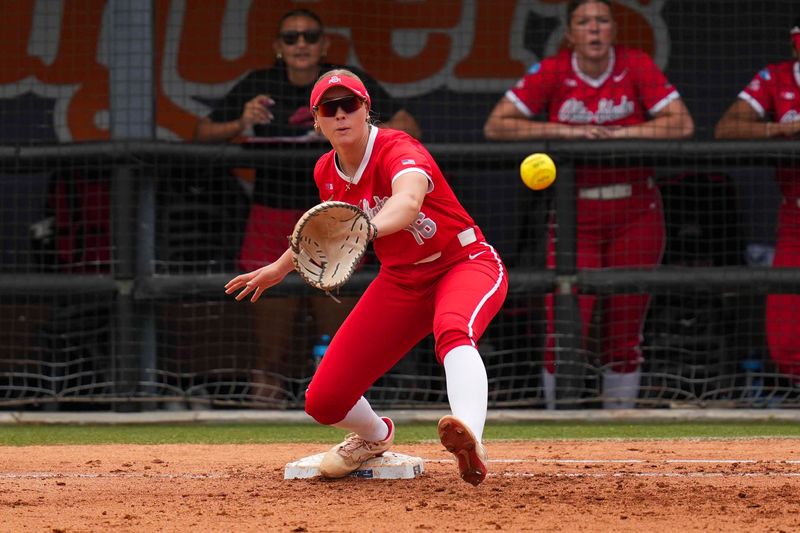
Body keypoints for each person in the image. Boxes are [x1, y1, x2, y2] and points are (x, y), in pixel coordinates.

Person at [225, 69, 508, 486]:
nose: (341, 115)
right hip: (402, 282)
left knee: (452, 331)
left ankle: (470, 438)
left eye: (350, 105)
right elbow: (325, 232)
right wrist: (279, 267)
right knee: (323, 401)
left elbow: (408, 201)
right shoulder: (326, 170)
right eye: (329, 108)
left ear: (366, 110)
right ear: (316, 119)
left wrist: (367, 227)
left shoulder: (397, 147)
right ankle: (374, 436)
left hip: (463, 262)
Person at [194, 9, 421, 402]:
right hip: (272, 211)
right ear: (278, 46)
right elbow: (201, 134)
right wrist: (241, 122)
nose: (301, 44)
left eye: (310, 36)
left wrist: (354, 137)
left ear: (323, 44)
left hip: (338, 216)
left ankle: (341, 397)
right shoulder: (260, 83)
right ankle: (266, 404)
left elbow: (409, 128)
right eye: (291, 38)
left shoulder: (344, 85)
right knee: (271, 328)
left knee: (338, 328)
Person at [483, 0, 694, 409]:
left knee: (624, 329)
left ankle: (620, 431)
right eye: (584, 22)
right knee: (564, 327)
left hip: (635, 212)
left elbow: (681, 122)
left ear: (614, 28)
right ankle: (555, 426)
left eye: (601, 21)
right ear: (570, 33)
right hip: (575, 214)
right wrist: (568, 131)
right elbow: (498, 124)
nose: (594, 29)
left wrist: (616, 136)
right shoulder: (554, 70)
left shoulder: (635, 64)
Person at [714, 18, 800, 385]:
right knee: (785, 335)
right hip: (795, 216)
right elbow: (726, 129)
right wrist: (781, 128)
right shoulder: (777, 78)